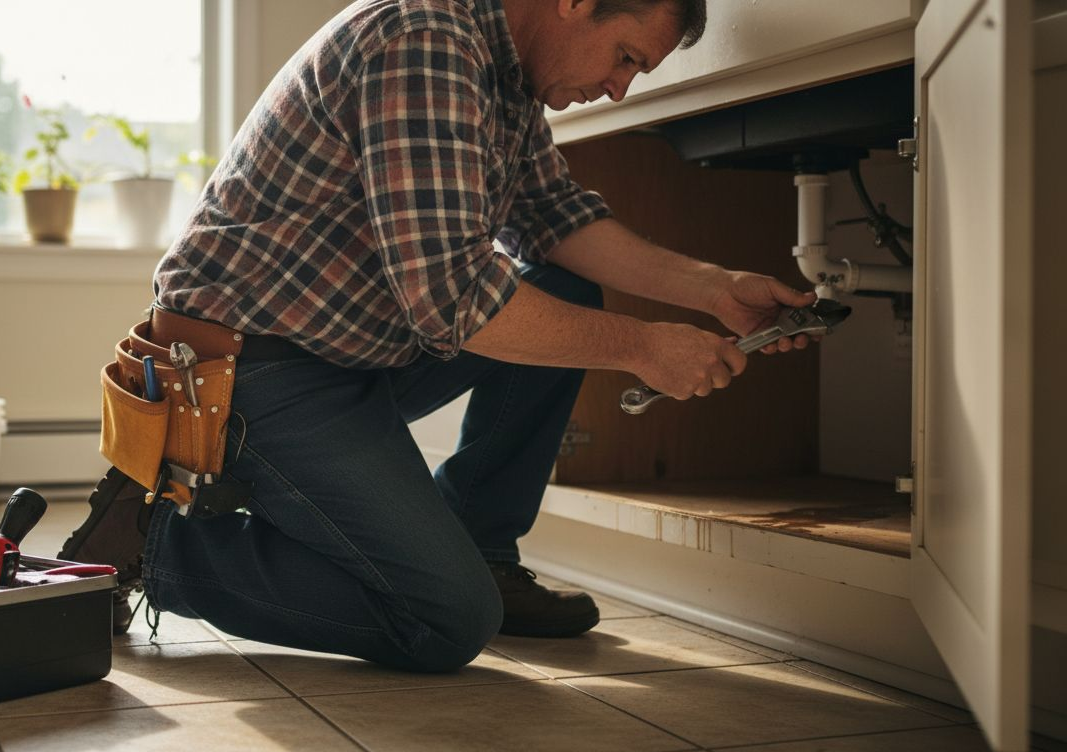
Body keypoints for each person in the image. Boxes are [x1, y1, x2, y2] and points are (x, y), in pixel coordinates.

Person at [61, 0, 816, 672]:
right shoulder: (424, 39)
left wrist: (718, 290)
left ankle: (481, 549)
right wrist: (646, 347)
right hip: (252, 368)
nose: (620, 88)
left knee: (562, 286)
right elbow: (456, 299)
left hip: (346, 348)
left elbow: (557, 220)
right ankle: (152, 546)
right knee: (445, 620)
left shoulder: (506, 72)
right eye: (625, 58)